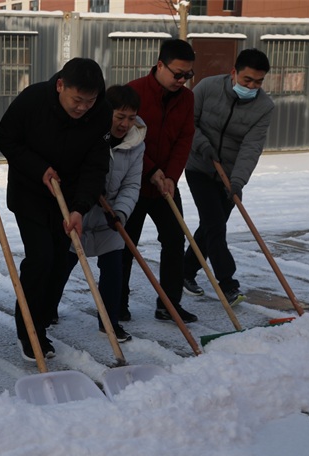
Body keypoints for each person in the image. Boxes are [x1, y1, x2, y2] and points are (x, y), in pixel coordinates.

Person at [0, 57, 111, 361]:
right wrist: (39, 169)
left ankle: (43, 318)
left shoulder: (100, 111)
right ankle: (30, 332)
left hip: (70, 196)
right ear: (60, 85)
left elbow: (96, 165)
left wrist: (80, 208)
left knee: (61, 260)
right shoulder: (33, 100)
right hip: (31, 192)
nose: (82, 107)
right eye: (77, 99)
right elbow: (7, 138)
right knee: (40, 259)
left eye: (90, 101)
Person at [51, 84, 145, 342]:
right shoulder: (88, 134)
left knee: (114, 266)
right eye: (119, 117)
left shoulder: (136, 143)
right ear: (106, 113)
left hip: (109, 216)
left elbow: (132, 184)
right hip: (77, 213)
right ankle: (48, 310)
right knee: (62, 266)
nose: (125, 124)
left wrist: (121, 213)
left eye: (131, 117)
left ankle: (110, 321)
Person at [182, 49, 275, 306]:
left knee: (210, 227)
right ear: (234, 73)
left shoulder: (264, 107)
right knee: (215, 226)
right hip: (199, 166)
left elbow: (251, 148)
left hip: (230, 174)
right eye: (247, 80)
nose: (252, 86)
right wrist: (202, 146)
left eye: (258, 82)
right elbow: (189, 121)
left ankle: (185, 271)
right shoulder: (207, 87)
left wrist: (237, 182)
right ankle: (228, 284)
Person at [122, 38, 198, 324]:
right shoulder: (135, 91)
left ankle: (169, 303)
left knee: (174, 241)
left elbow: (184, 139)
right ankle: (117, 303)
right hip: (133, 183)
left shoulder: (187, 99)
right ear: (160, 65)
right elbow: (126, 138)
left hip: (165, 185)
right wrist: (151, 171)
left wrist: (171, 177)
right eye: (177, 74)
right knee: (126, 246)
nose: (182, 80)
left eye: (187, 75)